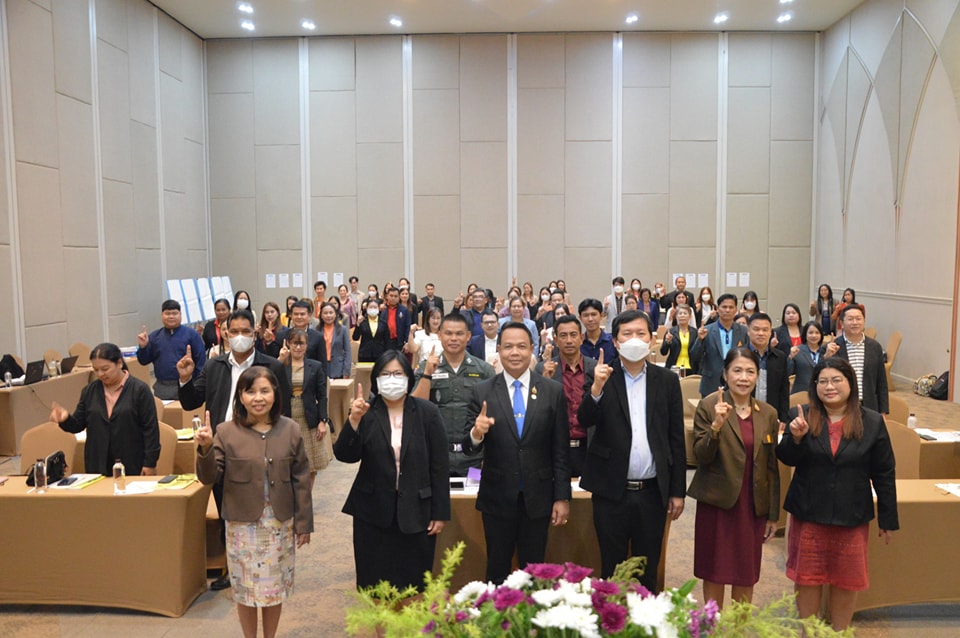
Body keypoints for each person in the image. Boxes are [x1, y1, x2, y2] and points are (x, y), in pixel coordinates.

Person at [777, 358, 898, 631]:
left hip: (851, 516)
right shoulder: (801, 414)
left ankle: (839, 634)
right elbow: (786, 458)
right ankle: (809, 633)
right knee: (808, 579)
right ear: (815, 386)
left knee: (846, 580)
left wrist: (888, 518)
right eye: (822, 381)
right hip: (809, 514)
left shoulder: (872, 421)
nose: (829, 387)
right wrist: (795, 438)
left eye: (836, 380)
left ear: (850, 383)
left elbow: (884, 472)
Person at [195, 367, 313, 638]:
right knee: (245, 591)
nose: (258, 398)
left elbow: (301, 479)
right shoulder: (226, 432)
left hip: (279, 524)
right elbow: (209, 477)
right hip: (241, 527)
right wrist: (205, 448)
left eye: (264, 391)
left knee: (274, 591)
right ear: (240, 396)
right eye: (250, 391)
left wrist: (304, 523)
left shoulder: (291, 429)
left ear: (275, 394)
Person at [178, 308, 290, 591]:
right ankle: (232, 567)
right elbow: (191, 400)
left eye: (246, 332)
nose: (240, 337)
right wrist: (185, 379)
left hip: (258, 447)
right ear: (226, 334)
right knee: (226, 509)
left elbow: (283, 412)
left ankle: (263, 561)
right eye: (234, 332)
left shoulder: (271, 367)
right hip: (222, 446)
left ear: (255, 333)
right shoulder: (214, 366)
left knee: (259, 506)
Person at [577, 309, 686, 591]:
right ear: (615, 341)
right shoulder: (601, 374)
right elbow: (584, 419)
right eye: (627, 334)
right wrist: (597, 388)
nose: (634, 339)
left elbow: (676, 438)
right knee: (612, 569)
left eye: (641, 333)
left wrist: (677, 491)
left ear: (651, 340)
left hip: (652, 492)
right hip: (611, 491)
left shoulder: (667, 381)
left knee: (647, 569)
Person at [464, 322, 570, 584]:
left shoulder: (552, 391)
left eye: (521, 346)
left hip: (538, 497)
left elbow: (560, 450)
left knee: (534, 573)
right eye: (508, 346)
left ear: (532, 349)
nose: (515, 353)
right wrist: (477, 433)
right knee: (496, 570)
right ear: (498, 350)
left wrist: (562, 497)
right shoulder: (482, 391)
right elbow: (467, 446)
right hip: (497, 497)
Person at [335, 351, 450, 590]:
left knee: (414, 584)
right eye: (386, 374)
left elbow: (439, 466)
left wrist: (440, 512)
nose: (392, 379)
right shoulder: (366, 412)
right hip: (372, 512)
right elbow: (345, 455)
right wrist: (354, 420)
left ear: (408, 377)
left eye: (398, 373)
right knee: (375, 584)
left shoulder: (427, 412)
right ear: (376, 379)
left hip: (417, 511)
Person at [687, 348, 780, 608]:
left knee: (746, 572)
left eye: (750, 371)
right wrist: (716, 426)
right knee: (714, 570)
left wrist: (773, 514)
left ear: (757, 376)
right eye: (737, 370)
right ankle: (712, 623)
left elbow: (771, 467)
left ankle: (740, 626)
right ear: (725, 374)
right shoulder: (709, 406)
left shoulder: (767, 413)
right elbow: (701, 456)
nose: (743, 378)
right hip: (717, 504)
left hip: (752, 505)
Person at [51, 342, 160, 476]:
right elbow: (77, 425)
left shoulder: (139, 390)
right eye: (96, 370)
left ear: (119, 363)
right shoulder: (90, 391)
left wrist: (150, 463)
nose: (100, 374)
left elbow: (151, 429)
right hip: (97, 463)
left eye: (105, 369)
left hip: (131, 461)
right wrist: (65, 419)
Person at [535, 314, 596, 478]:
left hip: (589, 449)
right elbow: (536, 413)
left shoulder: (595, 369)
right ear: (555, 340)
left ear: (581, 338)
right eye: (563, 335)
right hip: (556, 449)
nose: (569, 340)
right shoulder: (543, 369)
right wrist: (545, 382)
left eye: (573, 335)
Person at [278, 328, 330, 491]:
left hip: (309, 416)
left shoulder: (315, 366)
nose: (298, 347)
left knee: (310, 464)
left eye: (301, 344)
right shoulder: (281, 365)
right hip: (286, 415)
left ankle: (306, 498)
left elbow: (322, 395)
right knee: (288, 460)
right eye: (295, 343)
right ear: (288, 344)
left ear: (307, 345)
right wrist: (280, 360)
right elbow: (271, 384)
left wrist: (323, 421)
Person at [136, 299, 206, 400]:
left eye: (174, 313)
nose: (171, 316)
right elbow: (143, 361)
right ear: (162, 315)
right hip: (162, 387)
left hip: (187, 384)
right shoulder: (154, 337)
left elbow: (201, 362)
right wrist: (143, 347)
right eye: (167, 313)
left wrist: (197, 383)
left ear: (180, 315)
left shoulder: (192, 335)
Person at [825, 304, 888, 414]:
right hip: (841, 406)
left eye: (858, 319)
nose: (855, 323)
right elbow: (820, 377)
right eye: (850, 319)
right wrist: (827, 357)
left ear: (864, 321)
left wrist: (883, 411)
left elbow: (881, 381)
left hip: (869, 406)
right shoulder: (832, 347)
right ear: (841, 323)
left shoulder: (875, 347)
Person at [691, 294, 747, 397]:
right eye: (724, 307)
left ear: (736, 310)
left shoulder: (744, 331)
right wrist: (699, 340)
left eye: (731, 307)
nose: (727, 310)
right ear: (717, 309)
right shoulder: (707, 330)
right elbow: (694, 357)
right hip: (711, 384)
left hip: (737, 383)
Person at [745, 313, 790, 425]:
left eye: (765, 330)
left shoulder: (780, 357)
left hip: (770, 415)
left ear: (770, 332)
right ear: (748, 331)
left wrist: (783, 419)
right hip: (743, 414)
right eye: (756, 329)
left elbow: (784, 391)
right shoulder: (738, 355)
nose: (761, 333)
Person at [660, 303, 698, 373]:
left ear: (690, 316)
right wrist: (667, 342)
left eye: (685, 313)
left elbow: (698, 352)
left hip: (691, 368)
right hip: (674, 367)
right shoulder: (670, 332)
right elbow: (663, 352)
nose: (682, 316)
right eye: (680, 313)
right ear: (676, 316)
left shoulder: (695, 333)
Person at [318, 302, 351, 380]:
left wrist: (346, 371)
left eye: (331, 313)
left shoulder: (342, 330)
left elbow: (347, 351)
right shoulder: (316, 330)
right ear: (321, 315)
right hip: (321, 367)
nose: (328, 315)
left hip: (338, 368)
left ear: (335, 314)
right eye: (325, 313)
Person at [791, 322, 826, 395]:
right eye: (810, 333)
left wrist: (828, 356)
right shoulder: (797, 350)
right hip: (801, 393)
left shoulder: (825, 351)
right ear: (805, 334)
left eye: (817, 333)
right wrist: (790, 357)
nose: (814, 335)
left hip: (822, 392)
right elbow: (787, 372)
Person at [579, 298, 617, 363]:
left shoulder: (613, 342)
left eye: (594, 314)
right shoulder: (578, 344)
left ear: (601, 316)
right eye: (586, 315)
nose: (590, 319)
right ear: (580, 318)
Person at [353, 298, 391, 363]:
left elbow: (387, 341)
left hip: (380, 355)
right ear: (366, 308)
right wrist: (358, 324)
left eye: (375, 307)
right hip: (364, 355)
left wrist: (387, 356)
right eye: (370, 307)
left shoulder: (383, 323)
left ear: (378, 309)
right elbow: (355, 337)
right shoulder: (362, 322)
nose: (373, 309)